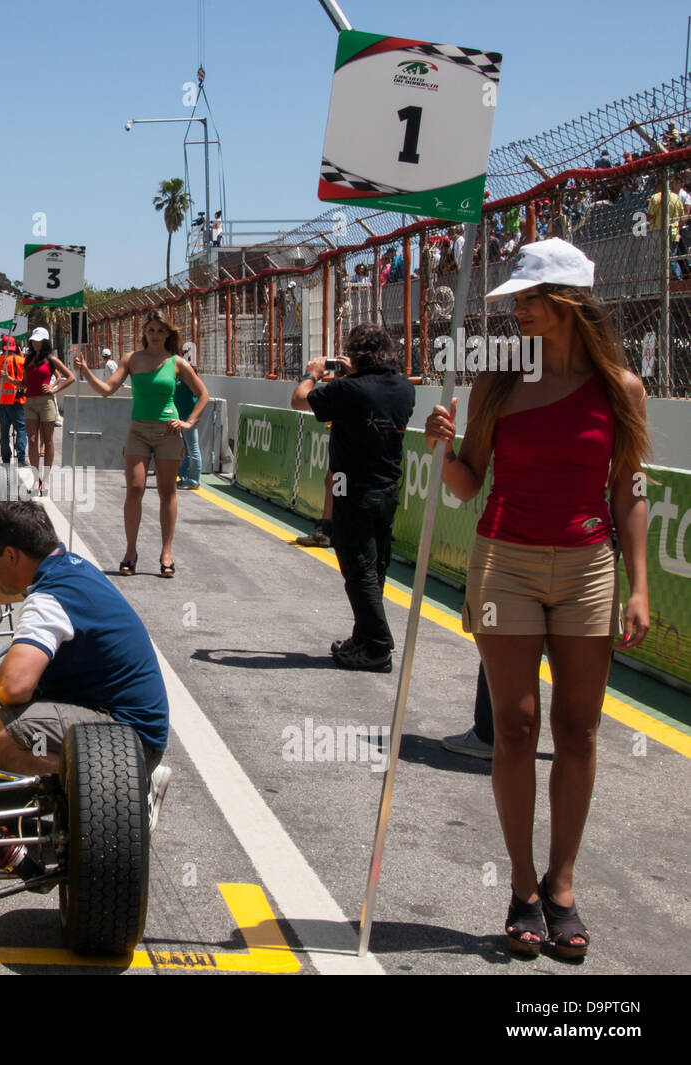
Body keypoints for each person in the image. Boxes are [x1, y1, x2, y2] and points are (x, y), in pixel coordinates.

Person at [423, 237, 650, 960]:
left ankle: (562, 886)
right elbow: (467, 485)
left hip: (589, 565)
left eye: (528, 297)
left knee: (579, 730)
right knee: (516, 727)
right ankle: (521, 885)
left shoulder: (621, 385)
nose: (516, 309)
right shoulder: (497, 381)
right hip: (505, 564)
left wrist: (639, 582)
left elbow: (628, 488)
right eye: (514, 298)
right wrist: (442, 448)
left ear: (568, 303)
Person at [0, 501, 173, 829]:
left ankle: (124, 797)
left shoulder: (48, 601)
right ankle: (106, 787)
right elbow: (4, 588)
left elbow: (12, 688)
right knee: (0, 802)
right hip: (135, 729)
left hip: (128, 743)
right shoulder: (68, 567)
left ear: (11, 555)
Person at [291, 323, 416, 672]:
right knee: (375, 568)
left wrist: (312, 373)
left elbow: (299, 399)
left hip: (351, 489)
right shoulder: (404, 387)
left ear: (354, 354)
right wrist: (352, 376)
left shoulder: (348, 389)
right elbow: (369, 401)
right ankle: (363, 637)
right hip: (387, 489)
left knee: (358, 570)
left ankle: (377, 644)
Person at [75, 312, 207, 577]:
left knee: (166, 491)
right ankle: (130, 552)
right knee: (135, 489)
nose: (155, 334)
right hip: (138, 431)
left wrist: (189, 422)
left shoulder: (176, 362)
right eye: (150, 330)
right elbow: (106, 390)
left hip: (168, 431)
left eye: (159, 330)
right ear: (144, 334)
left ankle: (166, 552)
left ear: (168, 334)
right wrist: (86, 371)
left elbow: (202, 394)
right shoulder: (131, 359)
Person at [21, 327, 75, 496]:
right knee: (32, 440)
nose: (36, 343)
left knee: (48, 440)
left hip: (46, 403)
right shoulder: (28, 359)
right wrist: (8, 380)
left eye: (39, 340)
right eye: (34, 340)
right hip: (30, 402)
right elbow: (24, 383)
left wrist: (54, 389)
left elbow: (70, 376)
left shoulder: (51, 359)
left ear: (45, 341)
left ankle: (46, 479)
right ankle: (36, 478)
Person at [0, 342, 27, 466]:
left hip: (2, 402)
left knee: (4, 432)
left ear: (2, 347)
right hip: (17, 401)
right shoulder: (21, 361)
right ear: (15, 347)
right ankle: (21, 458)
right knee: (21, 429)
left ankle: (5, 458)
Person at [175, 344, 203, 490]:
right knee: (187, 450)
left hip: (189, 416)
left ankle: (194, 480)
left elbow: (201, 393)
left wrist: (195, 417)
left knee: (193, 449)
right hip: (182, 417)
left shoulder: (190, 373)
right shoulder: (180, 374)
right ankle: (184, 477)